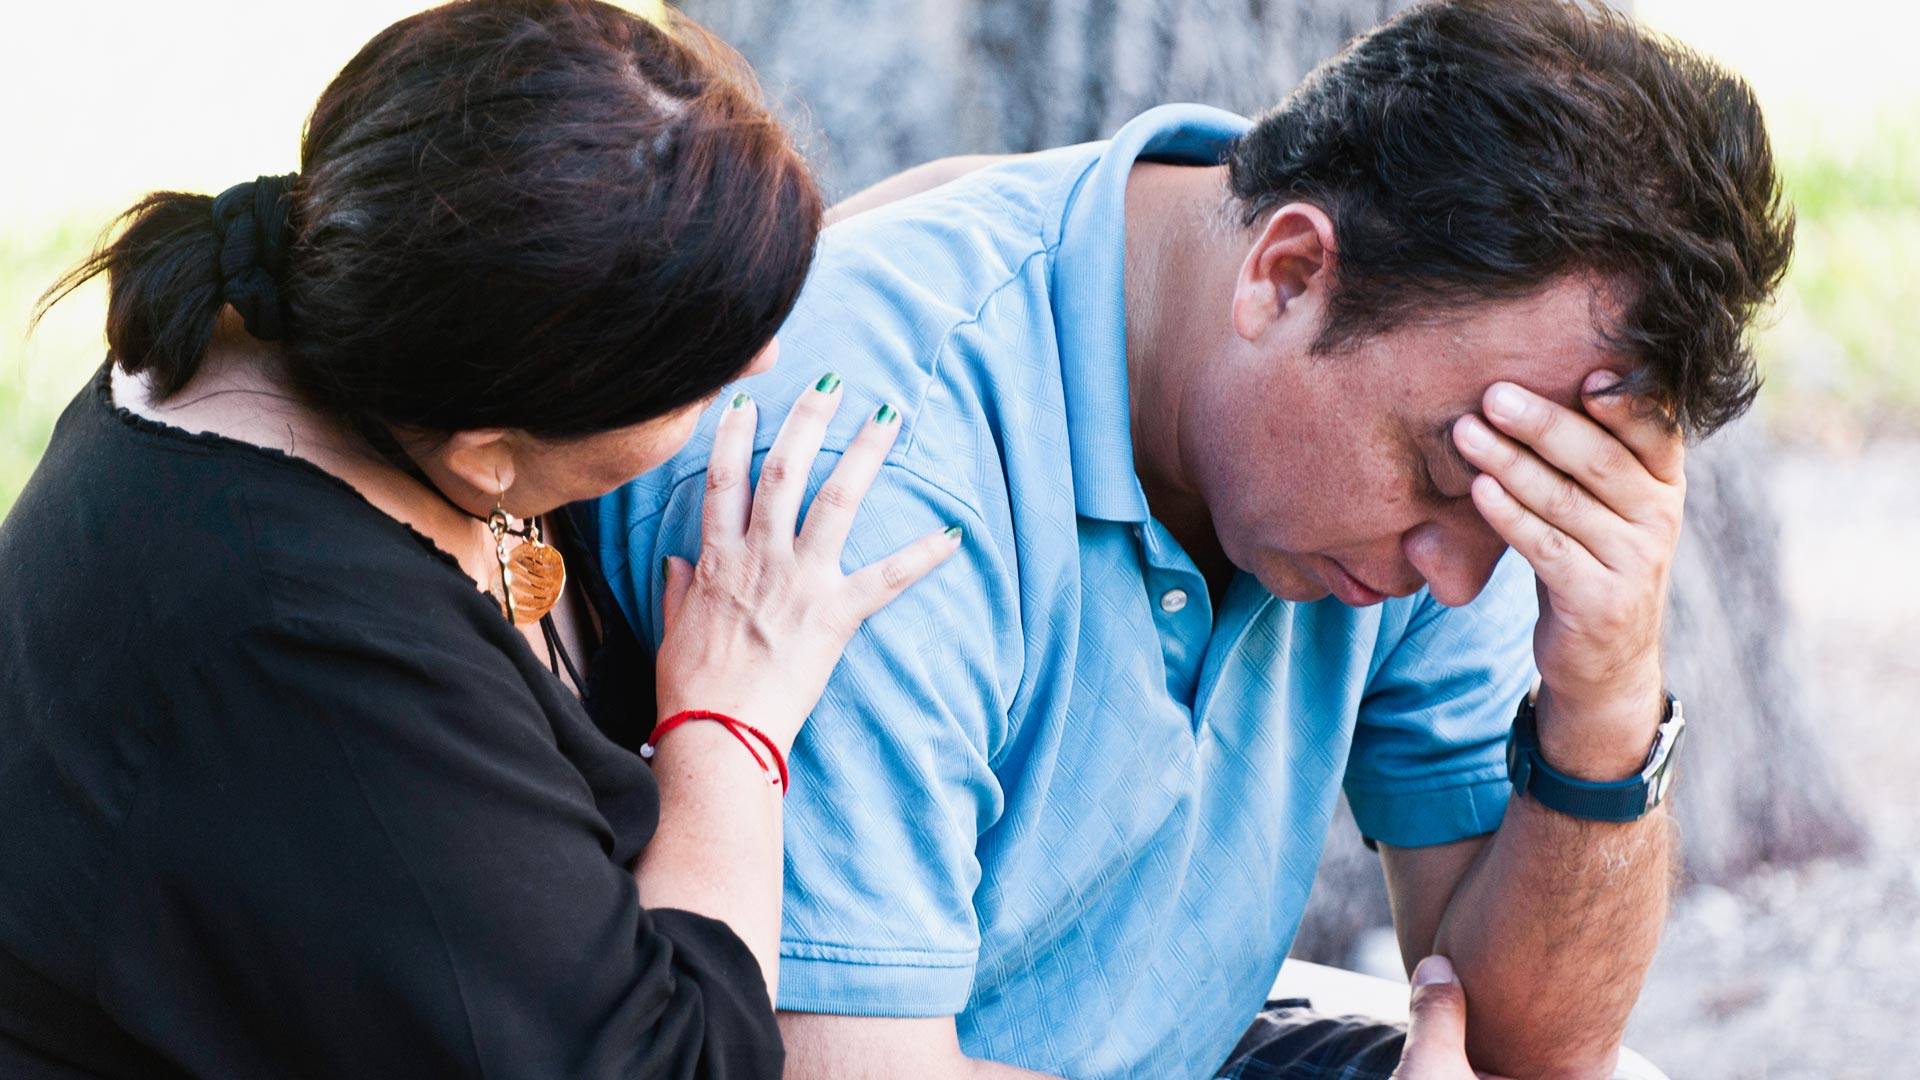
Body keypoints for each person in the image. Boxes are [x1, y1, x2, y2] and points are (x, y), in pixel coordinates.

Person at [594, 0, 1792, 1076]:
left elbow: (1531, 1048)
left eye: (1521, 519)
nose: (1462, 576)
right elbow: (840, 1069)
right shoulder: (875, 473)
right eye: (1438, 481)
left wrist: (1606, 695)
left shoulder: (1446, 427)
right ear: (1285, 274)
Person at [0, 2, 959, 1076]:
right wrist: (731, 721)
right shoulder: (306, 647)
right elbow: (669, 1067)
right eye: (702, 370)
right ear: (488, 456)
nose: (761, 365)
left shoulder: (361, 328)